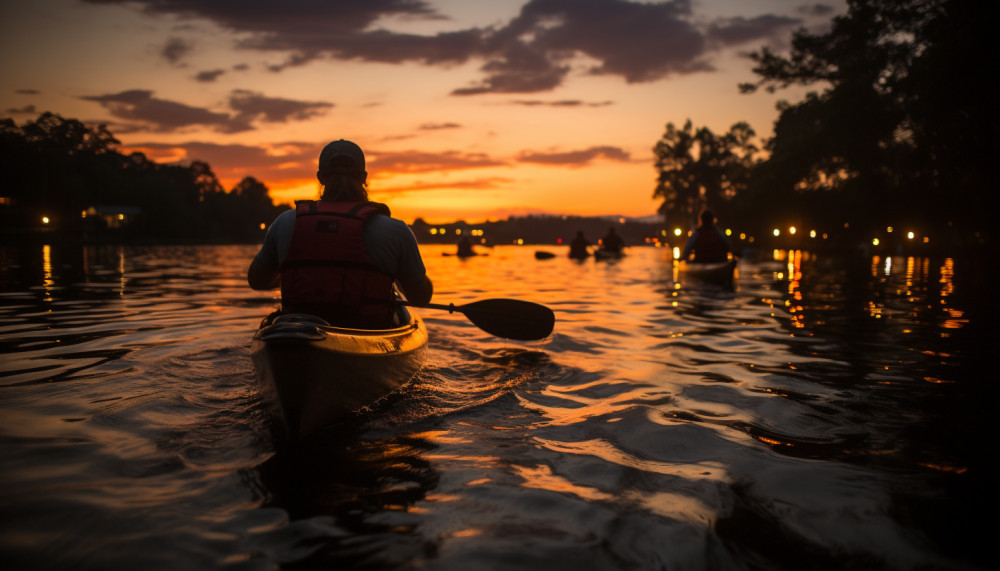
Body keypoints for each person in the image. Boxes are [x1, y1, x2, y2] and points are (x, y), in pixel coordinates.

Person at [248, 139, 432, 328]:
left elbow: (257, 281)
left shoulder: (285, 223)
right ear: (363, 177)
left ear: (321, 177)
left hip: (296, 333)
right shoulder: (395, 231)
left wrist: (293, 272)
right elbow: (421, 297)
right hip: (366, 333)